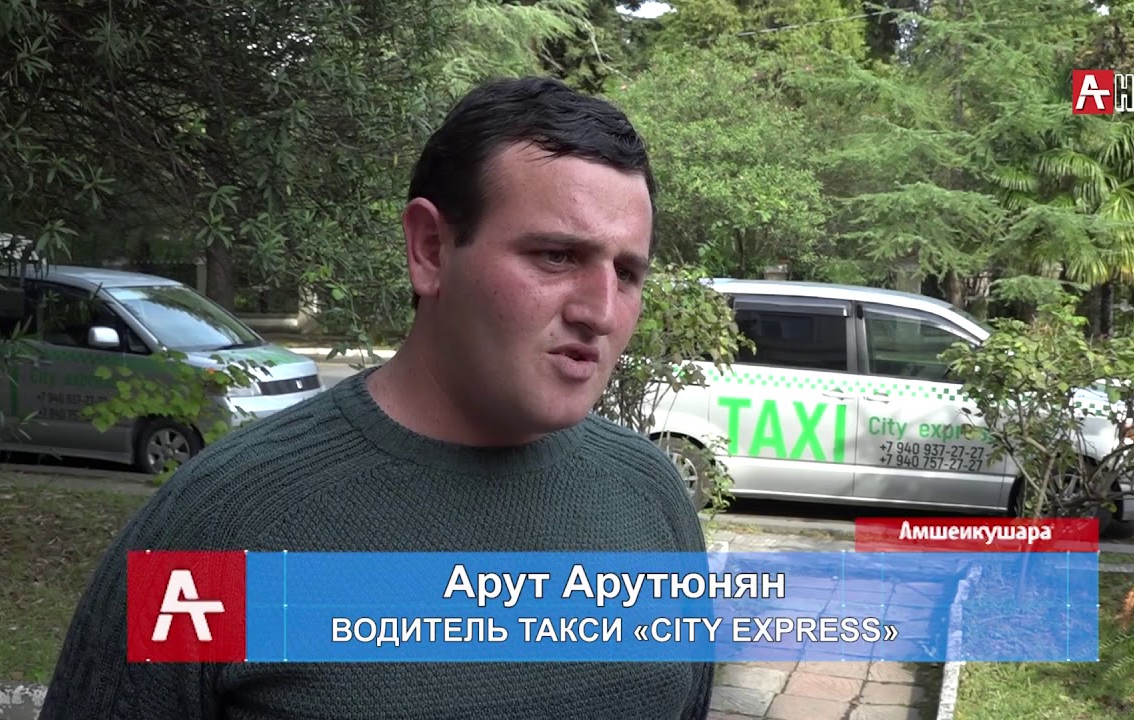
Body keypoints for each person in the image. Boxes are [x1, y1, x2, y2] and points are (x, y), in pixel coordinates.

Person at [38, 76, 714, 719]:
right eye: (556, 256)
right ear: (430, 249)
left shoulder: (651, 497)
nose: (601, 311)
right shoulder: (222, 524)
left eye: (627, 273)